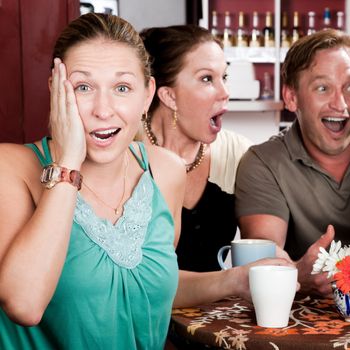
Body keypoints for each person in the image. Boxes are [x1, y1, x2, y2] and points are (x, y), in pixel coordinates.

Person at [0, 13, 290, 350]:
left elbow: (150, 286)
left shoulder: (165, 171)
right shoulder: (12, 167)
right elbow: (24, 303)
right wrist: (68, 163)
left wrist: (235, 280)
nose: (103, 109)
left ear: (147, 94)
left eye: (122, 88)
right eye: (82, 87)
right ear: (55, 89)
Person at [235, 29, 350, 297]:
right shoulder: (263, 162)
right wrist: (298, 273)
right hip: (307, 313)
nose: (341, 105)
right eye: (323, 88)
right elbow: (264, 262)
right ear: (292, 98)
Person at [139, 25, 252, 272]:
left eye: (224, 77)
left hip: (220, 310)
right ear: (169, 96)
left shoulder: (237, 153)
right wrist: (229, 282)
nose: (225, 93)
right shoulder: (125, 154)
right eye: (206, 79)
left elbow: (260, 246)